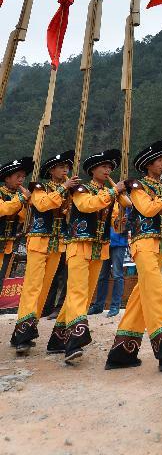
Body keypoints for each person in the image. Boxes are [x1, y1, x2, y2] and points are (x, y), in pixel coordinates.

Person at [104, 139, 162, 373]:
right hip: (143, 245)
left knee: (140, 298)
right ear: (149, 164)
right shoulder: (137, 187)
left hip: (160, 246)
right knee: (156, 292)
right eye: (160, 160)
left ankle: (122, 353)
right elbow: (147, 209)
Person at [47, 149, 125, 364]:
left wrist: (120, 218)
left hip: (99, 248)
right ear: (93, 170)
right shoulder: (80, 189)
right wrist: (111, 193)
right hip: (78, 245)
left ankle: (56, 340)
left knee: (82, 294)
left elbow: (116, 218)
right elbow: (86, 205)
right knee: (78, 292)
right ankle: (74, 343)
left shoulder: (111, 194)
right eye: (104, 167)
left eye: (110, 167)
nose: (108, 170)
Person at [10, 150, 80, 355]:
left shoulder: (68, 189)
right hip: (39, 242)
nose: (65, 169)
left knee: (44, 289)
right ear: (51, 170)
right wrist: (64, 189)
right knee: (32, 287)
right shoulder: (39, 187)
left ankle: (25, 331)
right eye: (61, 166)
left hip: (57, 244)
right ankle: (22, 335)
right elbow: (42, 204)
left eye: (67, 166)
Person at [89, 208, 129, 318]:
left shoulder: (126, 202)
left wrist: (126, 222)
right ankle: (98, 306)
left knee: (117, 275)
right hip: (104, 242)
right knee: (102, 276)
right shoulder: (106, 201)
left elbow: (132, 222)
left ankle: (115, 306)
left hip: (119, 243)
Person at [0, 157, 33, 289]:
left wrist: (28, 203)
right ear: (7, 178)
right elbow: (4, 209)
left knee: (1, 278)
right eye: (18, 176)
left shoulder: (18, 196)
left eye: (23, 177)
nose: (21, 180)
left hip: (7, 244)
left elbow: (22, 218)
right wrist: (22, 198)